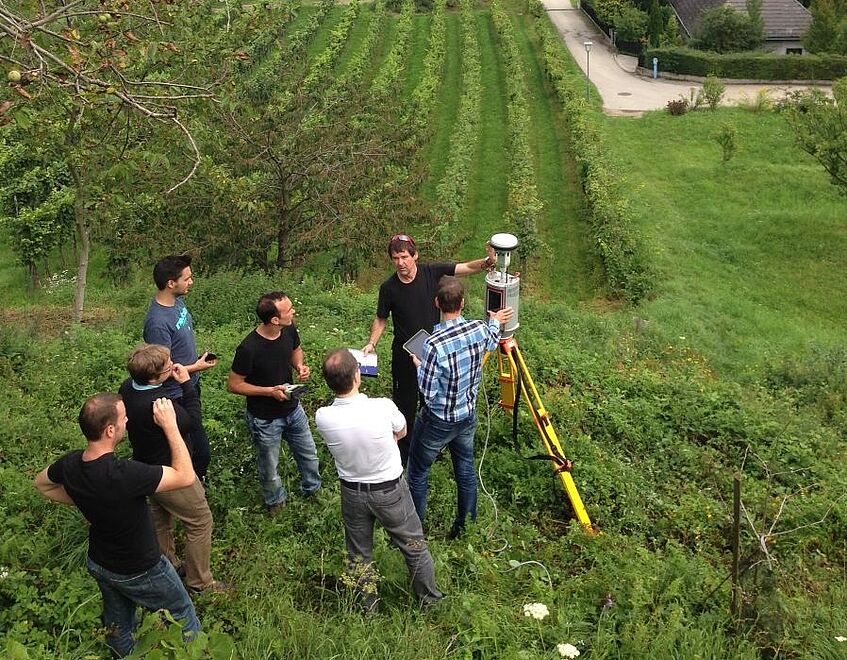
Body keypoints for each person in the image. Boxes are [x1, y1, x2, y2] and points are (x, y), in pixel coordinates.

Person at [34, 394, 200, 657]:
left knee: (118, 625)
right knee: (181, 611)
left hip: (101, 562)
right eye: (123, 417)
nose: (127, 420)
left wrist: (84, 502)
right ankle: (195, 654)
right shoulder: (125, 474)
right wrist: (170, 425)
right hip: (140, 567)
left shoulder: (71, 463)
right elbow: (185, 476)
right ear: (110, 430)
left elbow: (41, 484)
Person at [315, 348, 443, 613]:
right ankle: (429, 602)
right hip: (390, 490)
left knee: (359, 554)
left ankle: (368, 608)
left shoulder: (322, 417)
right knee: (414, 547)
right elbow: (402, 430)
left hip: (352, 492)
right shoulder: (383, 406)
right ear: (357, 376)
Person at [362, 233, 497, 465]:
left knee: (431, 401)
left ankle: (432, 448)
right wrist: (372, 343)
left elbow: (463, 267)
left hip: (434, 352)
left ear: (415, 255)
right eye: (395, 258)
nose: (400, 263)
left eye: (404, 257)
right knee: (404, 405)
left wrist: (486, 263)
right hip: (404, 356)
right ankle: (404, 455)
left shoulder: (430, 273)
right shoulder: (389, 288)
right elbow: (381, 318)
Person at [406, 276, 513, 539]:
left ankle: (415, 532)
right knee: (465, 469)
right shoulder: (477, 329)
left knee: (418, 473)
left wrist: (419, 364)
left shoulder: (432, 345)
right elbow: (490, 338)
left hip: (439, 419)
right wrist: (495, 321)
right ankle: (466, 527)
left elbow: (427, 391)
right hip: (467, 414)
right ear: (463, 303)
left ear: (436, 303)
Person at [119, 344, 227, 594]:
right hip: (173, 471)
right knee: (200, 520)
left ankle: (167, 564)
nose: (172, 363)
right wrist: (187, 386)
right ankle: (200, 582)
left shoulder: (127, 388)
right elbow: (192, 421)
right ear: (156, 377)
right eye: (168, 364)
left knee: (161, 520)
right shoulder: (161, 405)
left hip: (146, 468)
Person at [227, 291, 321, 516]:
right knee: (270, 467)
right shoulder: (248, 348)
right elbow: (234, 385)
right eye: (289, 310)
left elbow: (296, 349)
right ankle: (275, 502)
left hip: (292, 408)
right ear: (274, 320)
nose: (294, 312)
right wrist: (269, 392)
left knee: (309, 454)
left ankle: (313, 490)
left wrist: (299, 366)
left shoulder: (288, 329)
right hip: (265, 418)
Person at [143, 255, 216, 481]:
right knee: (197, 452)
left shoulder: (177, 302)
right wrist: (197, 366)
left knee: (196, 446)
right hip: (175, 396)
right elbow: (161, 370)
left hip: (189, 385)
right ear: (170, 283)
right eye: (187, 278)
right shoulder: (157, 323)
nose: (191, 282)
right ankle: (190, 489)